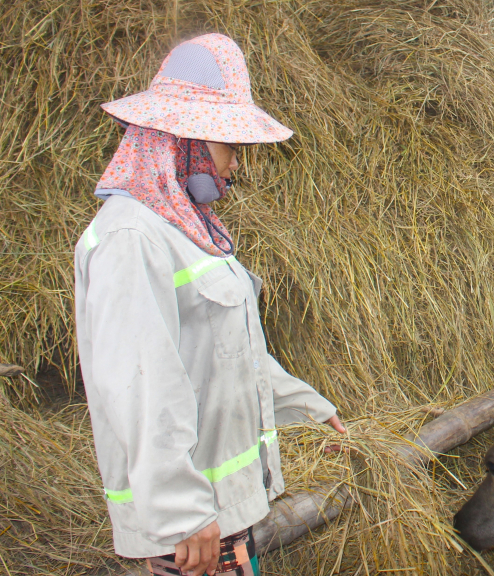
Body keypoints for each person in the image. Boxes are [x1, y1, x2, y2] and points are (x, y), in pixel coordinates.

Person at [74, 33, 345, 576]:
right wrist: (182, 513)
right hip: (196, 533)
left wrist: (308, 409)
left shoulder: (188, 230)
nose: (235, 166)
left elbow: (231, 354)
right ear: (187, 141)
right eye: (230, 147)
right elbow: (141, 384)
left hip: (222, 510)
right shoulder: (133, 238)